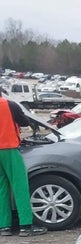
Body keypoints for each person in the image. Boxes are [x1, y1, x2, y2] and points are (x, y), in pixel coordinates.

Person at [0, 96, 45, 236]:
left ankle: (4, 226)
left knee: (1, 189)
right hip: (9, 150)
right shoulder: (9, 105)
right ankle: (25, 225)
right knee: (20, 186)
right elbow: (25, 122)